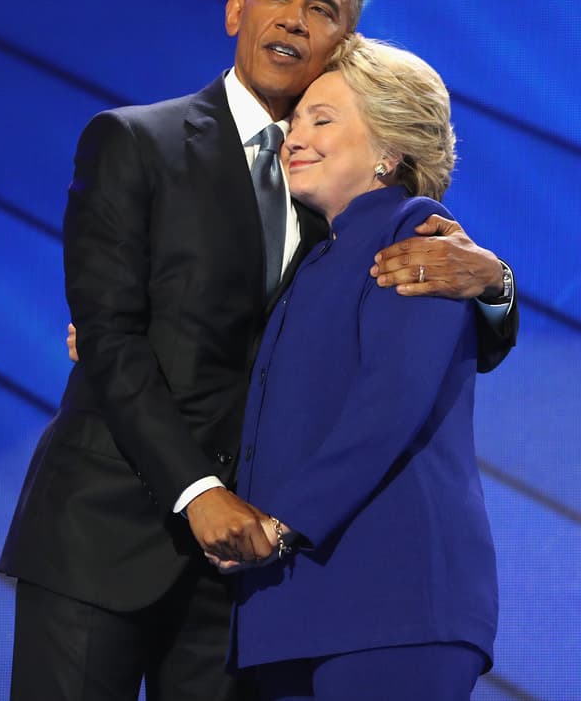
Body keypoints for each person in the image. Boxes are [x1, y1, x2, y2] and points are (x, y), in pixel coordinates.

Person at [0, 0, 517, 701]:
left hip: (250, 576)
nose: (295, 18)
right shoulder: (136, 143)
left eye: (322, 8)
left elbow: (419, 338)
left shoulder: (349, 195)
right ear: (236, 12)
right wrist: (196, 489)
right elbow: (111, 335)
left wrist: (498, 283)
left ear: (347, 44)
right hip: (107, 529)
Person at [210, 35, 498, 700]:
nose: (294, 136)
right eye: (295, 121)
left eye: (322, 119)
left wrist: (280, 524)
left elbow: (391, 399)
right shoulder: (316, 258)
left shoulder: (415, 231)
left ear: (388, 150)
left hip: (391, 598)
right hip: (290, 606)